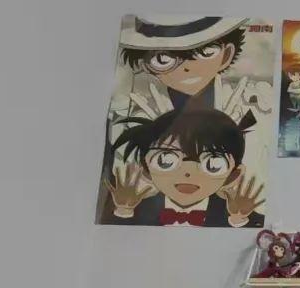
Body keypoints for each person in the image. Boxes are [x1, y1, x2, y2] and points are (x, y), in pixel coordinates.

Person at [103, 108, 265, 227]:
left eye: (213, 164)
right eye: (165, 161)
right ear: (146, 169)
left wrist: (238, 220)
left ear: (233, 175)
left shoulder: (238, 213)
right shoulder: (137, 209)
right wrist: (123, 211)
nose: (187, 173)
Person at [118, 16, 248, 112]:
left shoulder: (248, 105)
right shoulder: (140, 112)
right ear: (145, 66)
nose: (188, 67)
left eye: (206, 52)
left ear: (226, 56)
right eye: (163, 59)